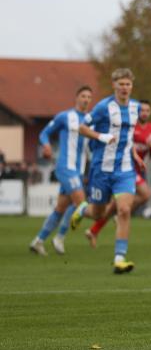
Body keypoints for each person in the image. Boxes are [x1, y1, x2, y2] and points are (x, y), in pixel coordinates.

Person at [70, 69, 145, 273]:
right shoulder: (103, 107)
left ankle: (119, 258)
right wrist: (102, 137)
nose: (124, 88)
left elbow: (127, 137)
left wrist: (136, 155)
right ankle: (82, 209)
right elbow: (82, 128)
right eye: (120, 84)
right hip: (101, 169)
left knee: (124, 210)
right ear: (114, 85)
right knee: (97, 214)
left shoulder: (135, 107)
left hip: (125, 170)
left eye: (127, 84)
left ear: (132, 86)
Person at [29, 86, 93, 256]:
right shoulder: (65, 116)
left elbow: (92, 144)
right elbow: (44, 133)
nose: (86, 99)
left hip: (79, 170)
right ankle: (60, 237)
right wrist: (47, 145)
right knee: (81, 203)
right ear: (76, 97)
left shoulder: (89, 119)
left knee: (61, 208)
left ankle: (38, 241)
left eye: (89, 97)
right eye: (83, 96)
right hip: (65, 166)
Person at [85, 100, 151, 247]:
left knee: (115, 208)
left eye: (147, 110)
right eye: (142, 110)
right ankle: (100, 215)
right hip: (125, 167)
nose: (144, 113)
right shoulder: (130, 125)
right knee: (145, 194)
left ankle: (94, 230)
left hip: (138, 168)